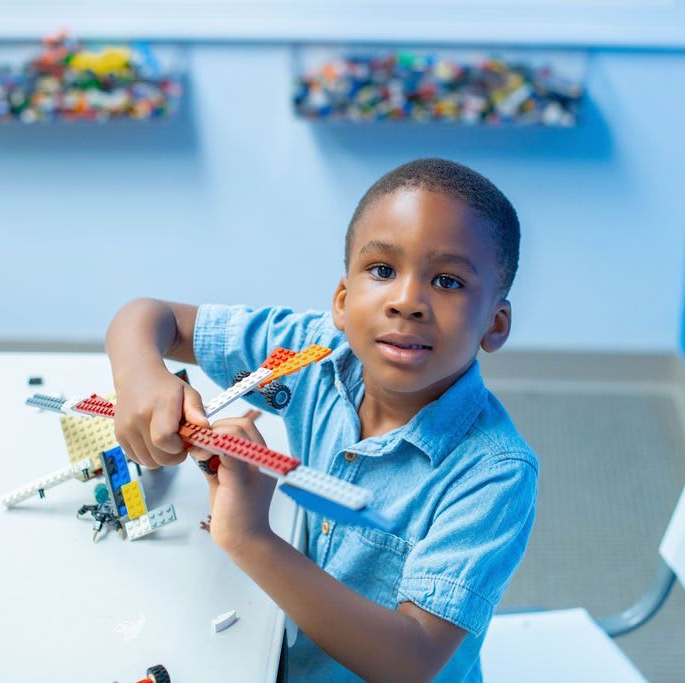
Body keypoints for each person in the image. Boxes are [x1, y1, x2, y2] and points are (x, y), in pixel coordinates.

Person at [105, 158, 539, 682]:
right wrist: (142, 377)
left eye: (447, 281)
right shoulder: (313, 353)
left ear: (496, 324)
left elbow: (411, 661)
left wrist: (249, 538)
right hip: (276, 646)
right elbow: (153, 317)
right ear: (342, 299)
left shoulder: (495, 473)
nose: (406, 302)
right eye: (382, 270)